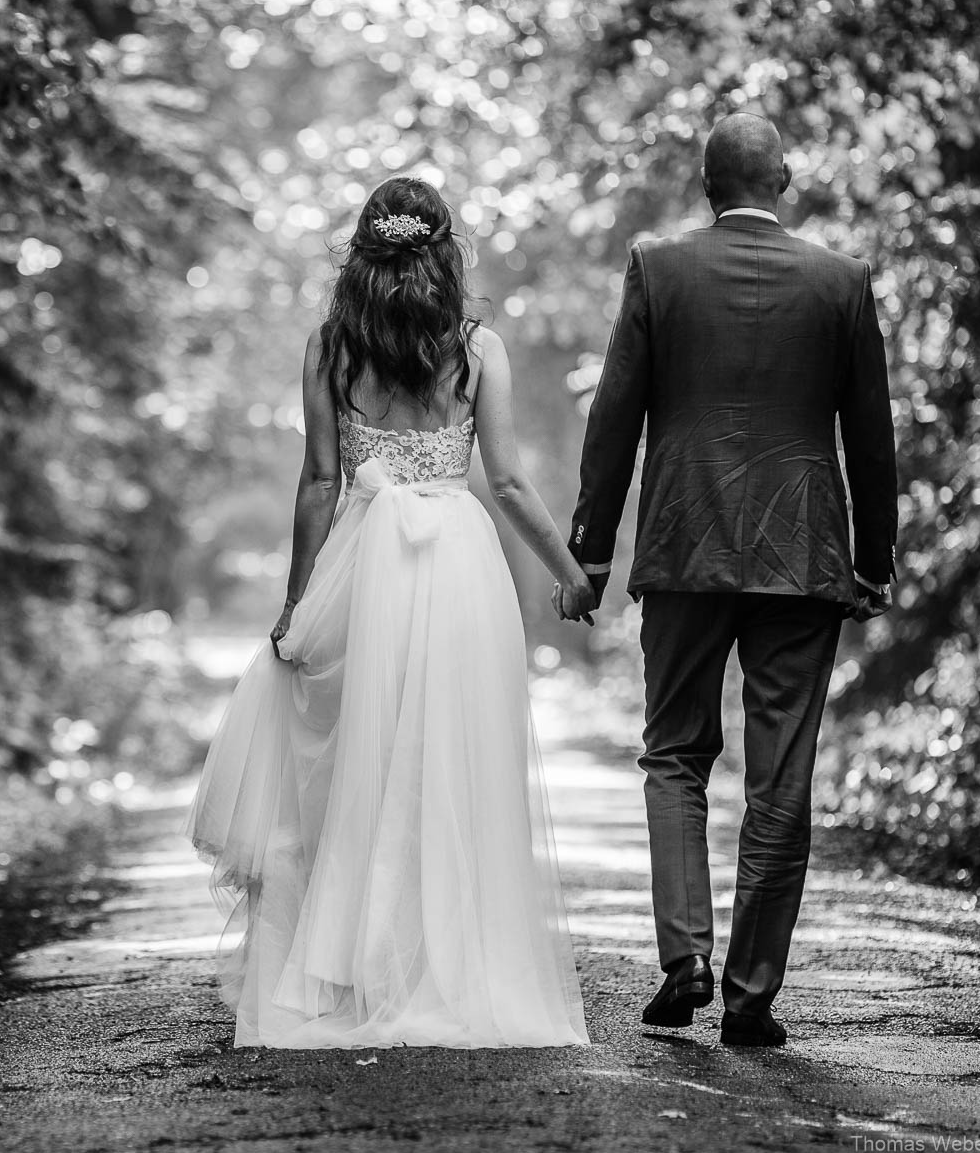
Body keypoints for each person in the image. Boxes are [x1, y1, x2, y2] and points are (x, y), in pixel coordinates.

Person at [185, 174, 593, 1049]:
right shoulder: (480, 350)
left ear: (362, 253)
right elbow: (511, 483)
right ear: (445, 252)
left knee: (353, 762)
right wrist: (570, 573)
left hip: (364, 561)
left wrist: (298, 602)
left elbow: (322, 483)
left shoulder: (331, 348)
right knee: (450, 760)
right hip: (458, 566)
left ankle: (345, 967)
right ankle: (442, 957)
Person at [569, 113, 897, 1048]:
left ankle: (685, 961)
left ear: (708, 185)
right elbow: (870, 439)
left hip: (685, 545)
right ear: (784, 178)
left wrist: (594, 551)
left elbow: (614, 419)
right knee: (780, 772)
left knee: (674, 755)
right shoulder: (842, 281)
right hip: (802, 555)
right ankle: (751, 996)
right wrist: (874, 560)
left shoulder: (659, 269)